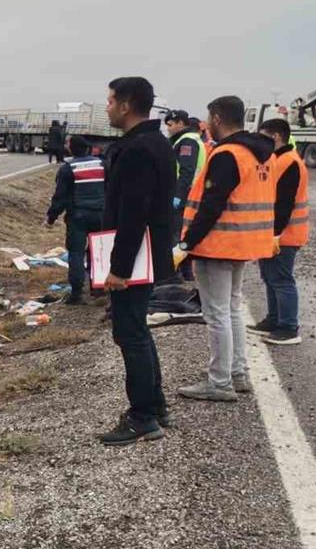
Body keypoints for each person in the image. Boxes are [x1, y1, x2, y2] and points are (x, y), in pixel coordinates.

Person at [176, 96, 275, 402]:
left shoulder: (226, 155)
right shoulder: (260, 154)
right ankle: (238, 372)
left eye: (209, 119)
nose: (207, 125)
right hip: (243, 244)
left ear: (217, 118)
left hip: (218, 244)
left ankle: (219, 382)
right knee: (230, 310)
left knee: (217, 313)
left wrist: (186, 244)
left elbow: (211, 206)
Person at [98, 77, 175, 446]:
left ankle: (142, 416)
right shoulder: (155, 142)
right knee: (138, 331)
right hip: (146, 255)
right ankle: (155, 406)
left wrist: (119, 268)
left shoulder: (138, 150)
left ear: (126, 105)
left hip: (135, 258)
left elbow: (133, 214)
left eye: (111, 101)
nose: (108, 107)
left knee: (129, 333)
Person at [249, 119, 308, 347]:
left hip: (285, 234)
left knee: (282, 279)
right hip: (274, 232)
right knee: (270, 277)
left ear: (275, 137)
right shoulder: (278, 159)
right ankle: (274, 319)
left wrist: (274, 233)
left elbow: (284, 203)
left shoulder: (289, 162)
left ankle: (288, 327)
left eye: (263, 136)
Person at [45, 135, 104, 305]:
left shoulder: (68, 168)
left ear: (71, 148)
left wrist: (51, 217)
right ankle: (98, 288)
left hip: (78, 216)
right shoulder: (102, 164)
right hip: (101, 215)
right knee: (97, 252)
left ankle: (77, 293)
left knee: (76, 252)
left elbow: (60, 197)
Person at [164, 110, 207, 281]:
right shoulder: (195, 139)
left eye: (170, 125)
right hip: (193, 193)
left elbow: (186, 171)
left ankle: (173, 274)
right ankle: (186, 271)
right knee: (184, 233)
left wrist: (178, 196)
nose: (168, 129)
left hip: (184, 194)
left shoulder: (187, 141)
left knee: (175, 234)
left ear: (181, 123)